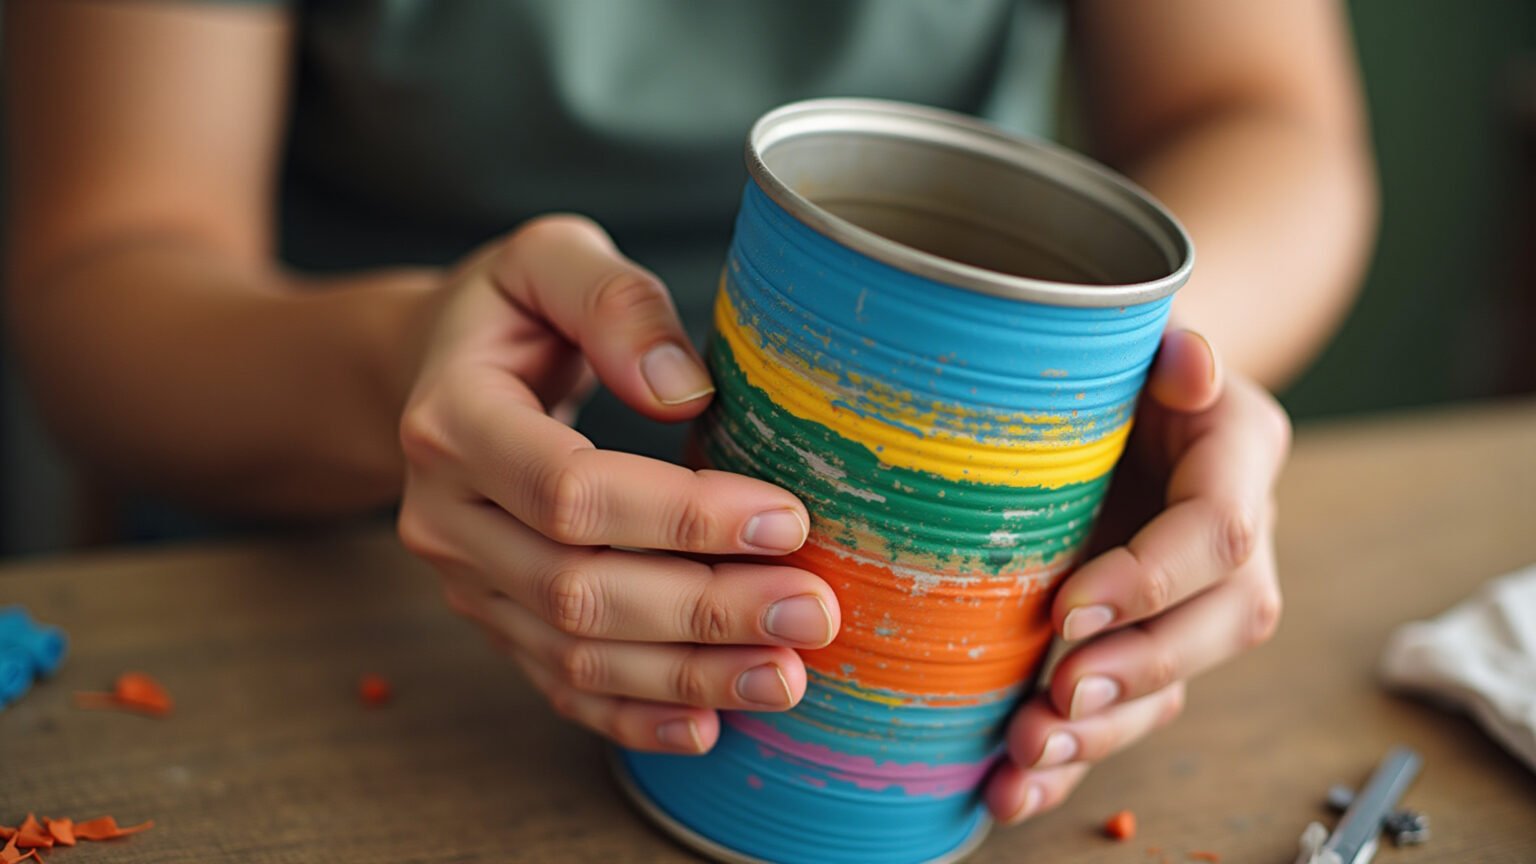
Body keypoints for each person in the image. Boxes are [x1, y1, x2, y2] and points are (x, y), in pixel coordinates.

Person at [4, 0, 1374, 827]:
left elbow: (1262, 117)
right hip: (315, 570)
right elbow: (100, 272)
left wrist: (1145, 379)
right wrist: (407, 370)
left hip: (965, 680)